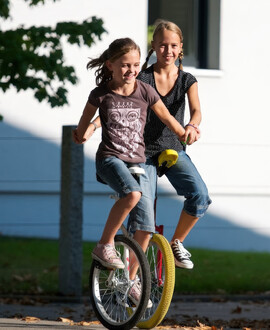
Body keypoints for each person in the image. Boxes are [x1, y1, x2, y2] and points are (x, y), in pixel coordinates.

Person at [86, 21, 212, 270]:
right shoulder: (141, 78)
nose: (168, 50)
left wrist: (192, 127)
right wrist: (94, 125)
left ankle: (177, 244)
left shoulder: (187, 79)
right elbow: (116, 109)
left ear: (181, 48)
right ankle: (133, 279)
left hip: (172, 149)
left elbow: (196, 111)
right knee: (145, 220)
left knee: (200, 195)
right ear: (153, 46)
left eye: (173, 45)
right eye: (162, 45)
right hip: (140, 152)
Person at [73, 37, 185, 302]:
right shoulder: (102, 93)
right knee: (132, 195)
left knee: (146, 228)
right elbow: (85, 119)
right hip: (110, 159)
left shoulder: (144, 91)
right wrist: (82, 132)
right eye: (125, 65)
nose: (131, 70)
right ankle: (105, 245)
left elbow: (165, 116)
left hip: (137, 161)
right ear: (110, 65)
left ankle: (130, 281)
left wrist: (184, 131)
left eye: (135, 65)